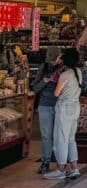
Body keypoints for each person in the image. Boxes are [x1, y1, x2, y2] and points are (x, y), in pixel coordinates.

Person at [43, 48, 81, 181]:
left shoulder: (65, 75)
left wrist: (58, 62)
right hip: (75, 106)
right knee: (70, 138)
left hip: (65, 107)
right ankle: (74, 168)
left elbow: (56, 93)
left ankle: (60, 169)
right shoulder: (78, 72)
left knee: (61, 138)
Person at [31, 46, 61, 175]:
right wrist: (44, 81)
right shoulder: (43, 67)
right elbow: (35, 88)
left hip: (61, 106)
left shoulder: (65, 69)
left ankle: (61, 163)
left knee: (60, 136)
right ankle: (45, 162)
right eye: (51, 60)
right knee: (46, 135)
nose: (52, 62)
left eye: (55, 59)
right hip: (44, 106)